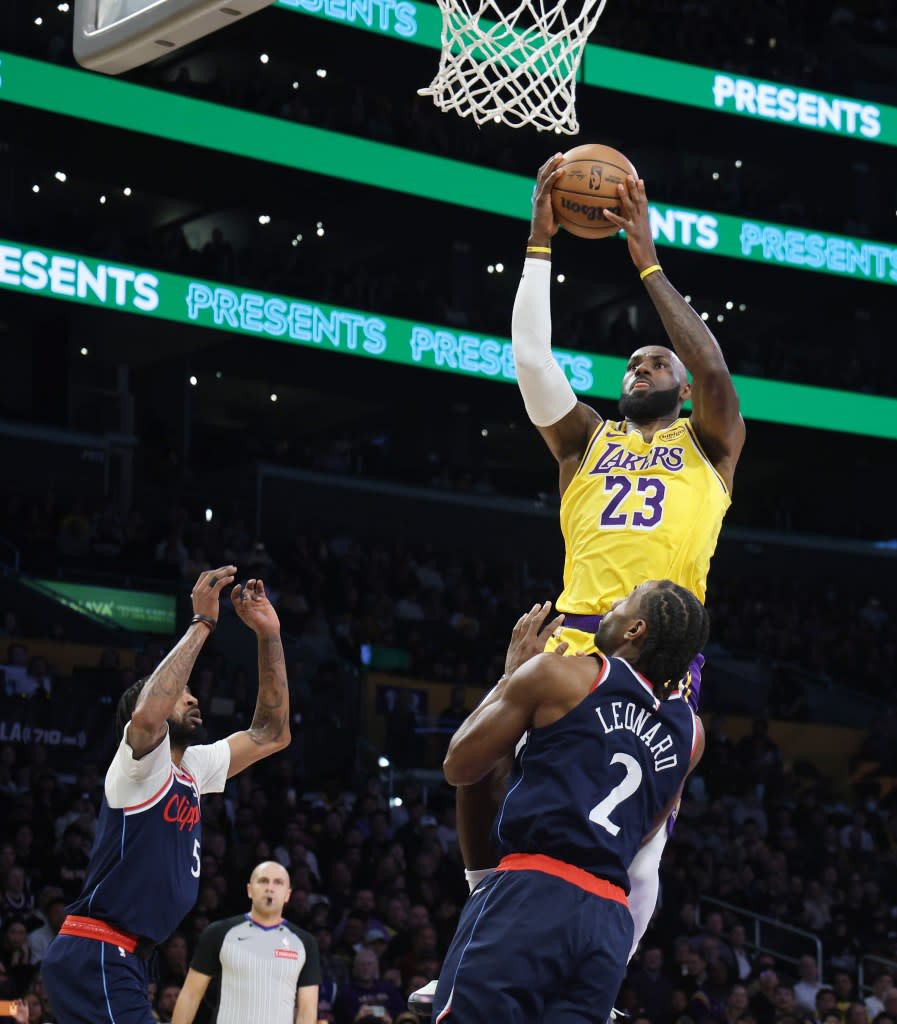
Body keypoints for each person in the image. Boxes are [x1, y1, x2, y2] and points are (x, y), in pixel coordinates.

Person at [450, 151, 745, 965]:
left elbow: (712, 366)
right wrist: (538, 242)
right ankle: (479, 921)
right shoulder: (584, 440)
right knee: (487, 773)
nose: (639, 366)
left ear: (678, 388)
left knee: (640, 837)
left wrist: (645, 261)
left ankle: (600, 981)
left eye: (656, 362)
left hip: (661, 652)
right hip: (575, 631)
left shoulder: (710, 444)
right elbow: (531, 362)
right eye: (631, 362)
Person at [432, 581, 708, 1022]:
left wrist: (510, 677)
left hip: (533, 893)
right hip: (608, 923)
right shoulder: (691, 733)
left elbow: (460, 767)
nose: (611, 606)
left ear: (634, 630)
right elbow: (648, 829)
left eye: (624, 601)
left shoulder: (560, 675)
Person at [41, 568, 292, 1024]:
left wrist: (268, 635)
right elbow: (146, 716)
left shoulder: (194, 766)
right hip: (98, 951)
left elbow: (271, 734)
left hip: (126, 958)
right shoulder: (136, 766)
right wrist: (203, 623)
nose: (193, 700)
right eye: (181, 693)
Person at [172, 860, 320, 1024]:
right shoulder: (218, 933)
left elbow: (307, 1010)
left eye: (278, 883)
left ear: (287, 895)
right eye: (263, 881)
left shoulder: (305, 943)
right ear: (250, 890)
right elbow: (190, 995)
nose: (270, 888)